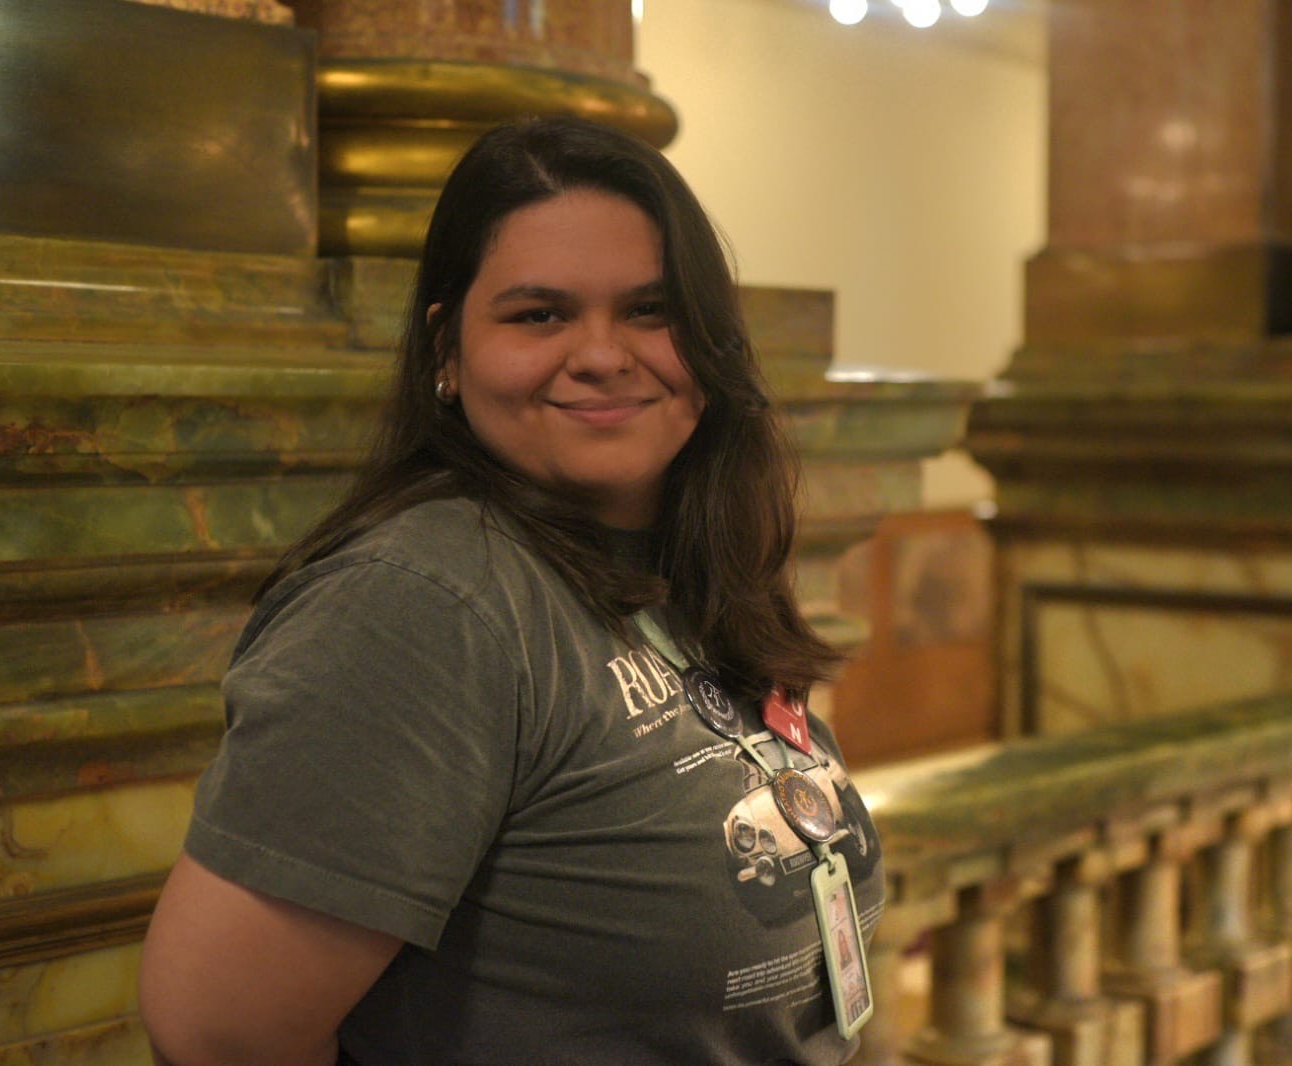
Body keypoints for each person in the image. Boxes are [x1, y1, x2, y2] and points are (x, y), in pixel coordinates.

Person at [139, 116, 884, 1065]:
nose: (604, 354)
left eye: (652, 311)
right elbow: (217, 1031)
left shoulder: (685, 565)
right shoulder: (424, 605)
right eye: (540, 315)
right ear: (448, 350)